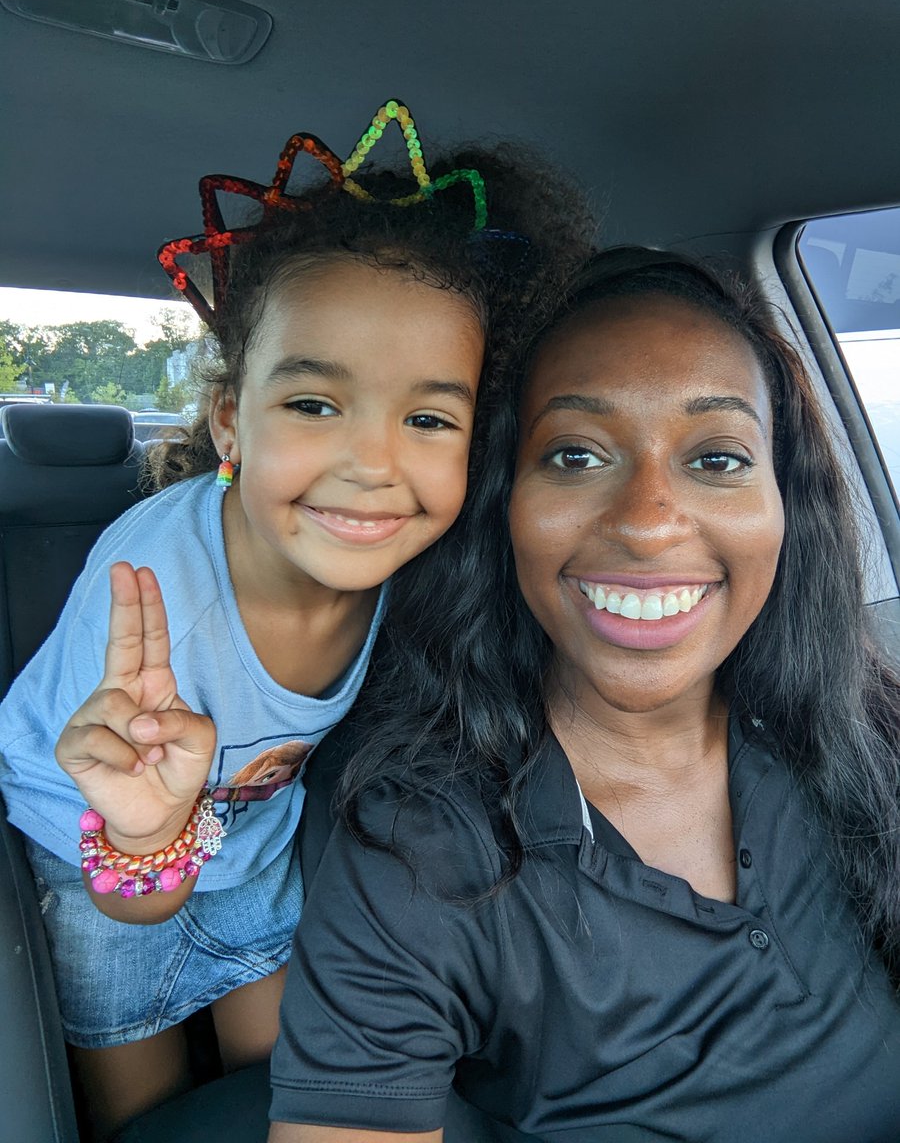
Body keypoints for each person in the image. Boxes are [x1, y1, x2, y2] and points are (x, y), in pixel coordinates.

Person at [0, 101, 594, 1139]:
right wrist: (150, 836)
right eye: (315, 404)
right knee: (139, 1098)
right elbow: (131, 885)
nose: (372, 463)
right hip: (93, 831)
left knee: (275, 1080)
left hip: (251, 829)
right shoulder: (152, 594)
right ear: (233, 418)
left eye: (425, 419)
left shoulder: (422, 576)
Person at [269, 247, 900, 1143]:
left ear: (786, 504)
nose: (647, 522)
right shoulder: (421, 849)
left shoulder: (857, 730)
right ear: (503, 503)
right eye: (574, 453)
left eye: (717, 459)